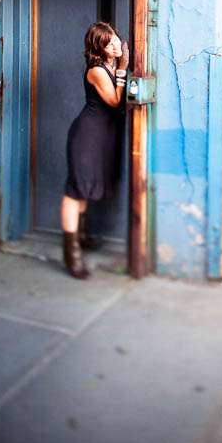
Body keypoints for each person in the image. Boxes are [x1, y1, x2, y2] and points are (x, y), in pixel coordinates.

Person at [61, 21, 129, 279]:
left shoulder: (111, 64)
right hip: (87, 136)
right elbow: (114, 100)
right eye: (108, 44)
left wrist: (120, 67)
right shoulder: (97, 70)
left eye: (115, 39)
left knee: (84, 189)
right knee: (75, 190)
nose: (115, 45)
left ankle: (80, 236)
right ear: (99, 49)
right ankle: (71, 254)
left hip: (101, 136)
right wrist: (122, 69)